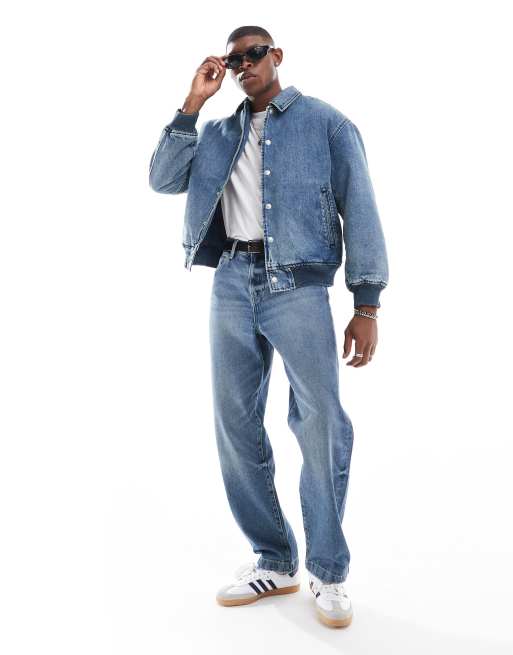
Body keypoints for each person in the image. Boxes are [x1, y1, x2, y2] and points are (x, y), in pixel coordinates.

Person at [149, 25, 389, 629]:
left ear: (276, 56)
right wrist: (192, 102)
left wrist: (366, 304)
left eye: (254, 55)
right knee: (234, 424)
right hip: (231, 281)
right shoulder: (217, 132)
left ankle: (328, 570)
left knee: (321, 423)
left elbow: (361, 209)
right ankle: (276, 559)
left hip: (297, 288)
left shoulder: (327, 124)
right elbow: (162, 179)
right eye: (234, 61)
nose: (244, 66)